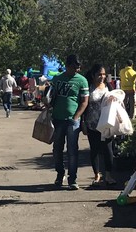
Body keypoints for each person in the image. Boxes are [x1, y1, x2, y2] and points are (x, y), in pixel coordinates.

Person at [49, 54, 90, 190]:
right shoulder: (57, 79)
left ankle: (73, 179)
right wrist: (47, 101)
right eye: (74, 67)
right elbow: (50, 96)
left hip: (73, 120)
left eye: (78, 67)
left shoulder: (82, 81)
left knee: (72, 150)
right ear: (67, 66)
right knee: (57, 149)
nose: (76, 70)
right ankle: (60, 174)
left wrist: (76, 116)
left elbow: (84, 102)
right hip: (58, 118)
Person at [82, 65, 116, 187]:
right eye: (99, 74)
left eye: (103, 74)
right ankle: (97, 175)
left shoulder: (109, 87)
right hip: (92, 123)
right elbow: (84, 105)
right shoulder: (89, 88)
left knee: (108, 150)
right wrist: (83, 122)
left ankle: (108, 175)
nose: (102, 77)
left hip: (107, 123)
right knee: (95, 150)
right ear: (93, 75)